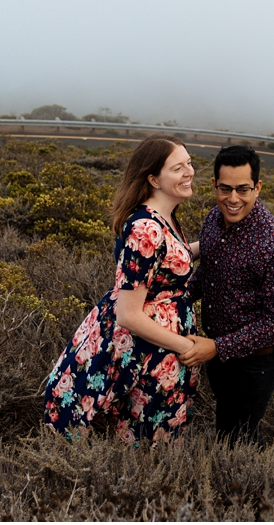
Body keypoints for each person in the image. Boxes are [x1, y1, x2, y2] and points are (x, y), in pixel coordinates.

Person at [42, 135, 199, 444]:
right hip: (146, 346)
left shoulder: (163, 218)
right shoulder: (146, 229)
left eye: (189, 163)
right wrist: (184, 347)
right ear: (153, 179)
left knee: (143, 432)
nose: (189, 172)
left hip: (157, 345)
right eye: (178, 167)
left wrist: (206, 246)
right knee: (145, 437)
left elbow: (167, 261)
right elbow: (128, 314)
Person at [179, 145, 274, 446]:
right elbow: (208, 272)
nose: (233, 199)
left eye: (243, 189)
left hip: (256, 363)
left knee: (238, 437)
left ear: (257, 188)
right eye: (225, 189)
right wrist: (177, 297)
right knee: (229, 425)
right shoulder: (212, 220)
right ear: (214, 186)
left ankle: (254, 488)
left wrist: (217, 347)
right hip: (219, 353)